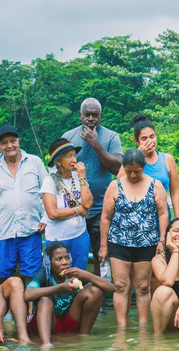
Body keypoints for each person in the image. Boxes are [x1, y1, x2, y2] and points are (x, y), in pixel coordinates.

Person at [100, 148, 168, 328]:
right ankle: (122, 328)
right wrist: (103, 246)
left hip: (147, 243)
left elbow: (163, 214)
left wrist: (162, 240)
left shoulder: (156, 185)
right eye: (128, 171)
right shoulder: (115, 185)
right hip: (118, 242)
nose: (132, 175)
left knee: (143, 286)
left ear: (143, 168)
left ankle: (143, 327)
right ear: (123, 168)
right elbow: (106, 217)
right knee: (121, 285)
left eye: (136, 171)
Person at [62, 98, 123, 274]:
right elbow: (60, 169)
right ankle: (74, 293)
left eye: (94, 115)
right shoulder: (68, 137)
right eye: (87, 114)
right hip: (74, 208)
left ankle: (100, 296)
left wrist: (95, 143)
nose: (90, 118)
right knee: (72, 255)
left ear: (101, 116)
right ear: (80, 116)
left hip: (102, 208)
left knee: (101, 254)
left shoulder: (111, 137)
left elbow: (117, 167)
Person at [0, 125, 48, 281]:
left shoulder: (34, 162)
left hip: (31, 230)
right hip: (4, 232)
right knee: (3, 275)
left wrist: (45, 218)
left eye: (13, 141)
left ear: (19, 141)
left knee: (32, 275)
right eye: (4, 143)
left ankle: (31, 306)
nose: (9, 145)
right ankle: (5, 305)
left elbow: (48, 192)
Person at [24, 241, 116, 347]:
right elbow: (28, 294)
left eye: (67, 258)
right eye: (59, 259)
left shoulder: (75, 274)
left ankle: (83, 338)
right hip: (46, 323)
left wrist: (86, 275)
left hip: (68, 322)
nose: (65, 262)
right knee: (44, 300)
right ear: (49, 262)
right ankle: (46, 345)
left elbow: (112, 288)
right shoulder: (44, 274)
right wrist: (61, 287)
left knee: (94, 290)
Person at [41, 138, 93, 270]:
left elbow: (87, 204)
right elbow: (52, 213)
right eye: (69, 156)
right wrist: (77, 210)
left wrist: (82, 178)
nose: (74, 160)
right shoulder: (49, 181)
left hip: (80, 235)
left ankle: (78, 291)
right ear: (58, 161)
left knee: (79, 273)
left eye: (74, 155)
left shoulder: (78, 177)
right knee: (58, 275)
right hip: (58, 238)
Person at [133, 114, 179, 220]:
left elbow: (175, 192)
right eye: (144, 138)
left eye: (152, 136)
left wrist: (178, 220)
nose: (150, 141)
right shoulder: (132, 159)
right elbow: (119, 181)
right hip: (139, 216)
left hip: (163, 215)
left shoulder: (167, 159)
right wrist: (139, 156)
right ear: (137, 141)